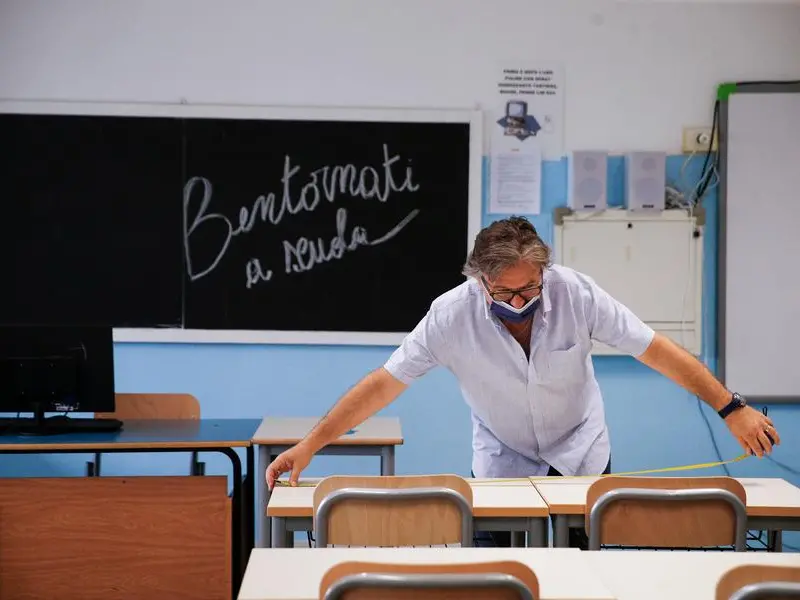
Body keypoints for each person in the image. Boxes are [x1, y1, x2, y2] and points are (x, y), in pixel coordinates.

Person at [265, 216, 780, 548]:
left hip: (581, 452)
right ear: (480, 280)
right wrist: (310, 445)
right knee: (499, 575)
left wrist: (730, 408)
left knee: (582, 575)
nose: (519, 303)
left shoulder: (576, 294)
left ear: (543, 272)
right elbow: (383, 384)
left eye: (530, 289)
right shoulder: (450, 315)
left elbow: (656, 350)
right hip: (502, 461)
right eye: (504, 293)